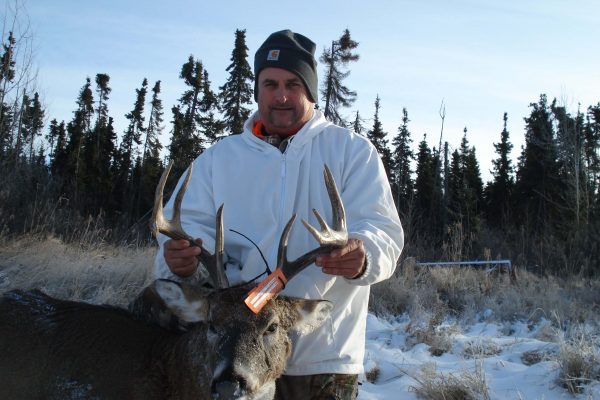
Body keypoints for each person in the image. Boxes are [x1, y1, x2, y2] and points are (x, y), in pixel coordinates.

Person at [154, 29, 404, 400]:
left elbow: (382, 230)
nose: (281, 95)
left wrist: (362, 256)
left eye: (293, 84)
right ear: (257, 91)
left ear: (310, 91)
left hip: (324, 355)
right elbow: (181, 232)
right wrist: (177, 260)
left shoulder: (351, 152)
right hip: (233, 358)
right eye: (270, 84)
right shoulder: (218, 160)